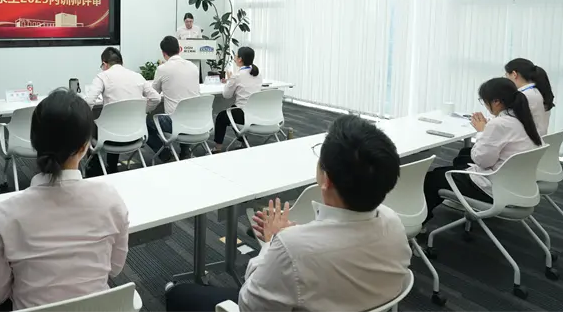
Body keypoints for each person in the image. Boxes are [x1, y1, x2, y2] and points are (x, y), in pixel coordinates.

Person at [165, 115, 411, 312]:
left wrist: (273, 242)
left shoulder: (291, 249)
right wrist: (291, 237)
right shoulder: (394, 223)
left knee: (179, 294)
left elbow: (249, 305)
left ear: (326, 179)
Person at [0, 89, 129, 312]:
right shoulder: (111, 201)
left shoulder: (5, 214)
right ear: (84, 146)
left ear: (34, 142)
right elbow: (114, 268)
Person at [423, 77, 542, 222]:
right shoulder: (525, 119)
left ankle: (421, 224)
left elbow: (482, 161)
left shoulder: (499, 124)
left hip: (495, 190)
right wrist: (488, 131)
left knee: (432, 178)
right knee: (463, 157)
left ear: (496, 102)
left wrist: (482, 132)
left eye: (484, 101)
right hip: (521, 187)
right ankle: (459, 198)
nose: (485, 105)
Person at [85, 46, 161, 174]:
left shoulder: (102, 76)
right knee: (114, 124)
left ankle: (95, 170)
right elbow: (156, 98)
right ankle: (111, 166)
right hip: (136, 134)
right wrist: (142, 112)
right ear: (122, 63)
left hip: (110, 136)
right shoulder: (137, 76)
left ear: (105, 64)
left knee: (91, 127)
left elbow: (88, 102)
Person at [146, 36, 200, 161]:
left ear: (163, 53)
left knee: (145, 122)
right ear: (180, 49)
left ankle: (165, 155)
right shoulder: (193, 67)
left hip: (175, 123)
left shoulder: (163, 69)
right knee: (185, 110)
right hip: (197, 121)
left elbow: (154, 93)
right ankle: (185, 152)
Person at [212, 46, 262, 152]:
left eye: (236, 55)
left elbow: (226, 95)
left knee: (221, 117)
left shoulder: (237, 76)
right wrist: (231, 81)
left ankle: (217, 148)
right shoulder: (258, 74)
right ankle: (243, 142)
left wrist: (230, 81)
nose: (234, 57)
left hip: (243, 114)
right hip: (256, 113)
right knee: (233, 112)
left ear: (240, 59)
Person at [505, 58, 555, 138]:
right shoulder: (539, 91)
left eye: (506, 75)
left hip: (525, 142)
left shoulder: (523, 96)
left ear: (514, 74)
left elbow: (505, 123)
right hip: (539, 140)